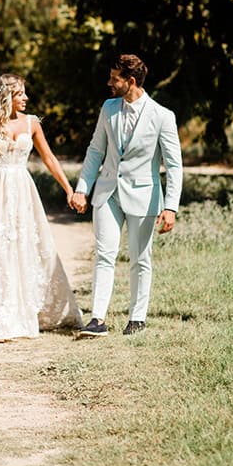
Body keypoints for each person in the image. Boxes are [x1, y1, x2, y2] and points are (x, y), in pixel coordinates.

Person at [0, 73, 82, 345]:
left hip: (22, 191)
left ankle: (25, 310)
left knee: (24, 247)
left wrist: (68, 189)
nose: (26, 98)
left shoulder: (32, 124)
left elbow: (49, 158)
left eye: (25, 93)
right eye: (20, 94)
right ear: (7, 97)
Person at [71, 54, 182, 336]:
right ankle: (97, 319)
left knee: (139, 257)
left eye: (114, 79)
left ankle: (137, 317)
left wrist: (171, 207)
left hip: (144, 196)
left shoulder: (162, 116)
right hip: (107, 193)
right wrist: (82, 188)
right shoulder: (108, 108)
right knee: (104, 254)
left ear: (130, 81)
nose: (109, 83)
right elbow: (96, 150)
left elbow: (174, 165)